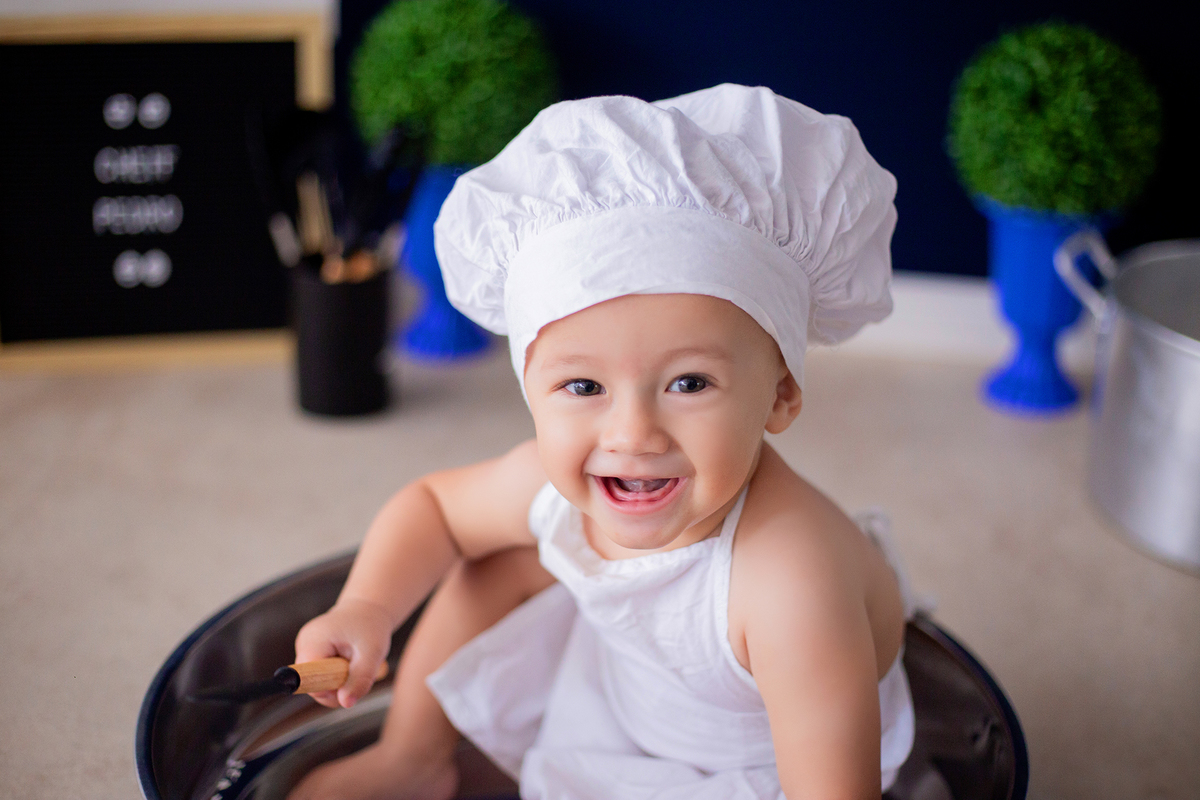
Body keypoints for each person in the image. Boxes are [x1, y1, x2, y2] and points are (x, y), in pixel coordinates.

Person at [288, 83, 915, 800]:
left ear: (780, 394)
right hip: (627, 696)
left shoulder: (788, 582)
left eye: (689, 384)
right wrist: (366, 609)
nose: (632, 435)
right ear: (530, 391)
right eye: (583, 388)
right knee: (497, 560)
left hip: (758, 767)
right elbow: (434, 507)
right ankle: (409, 757)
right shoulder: (560, 486)